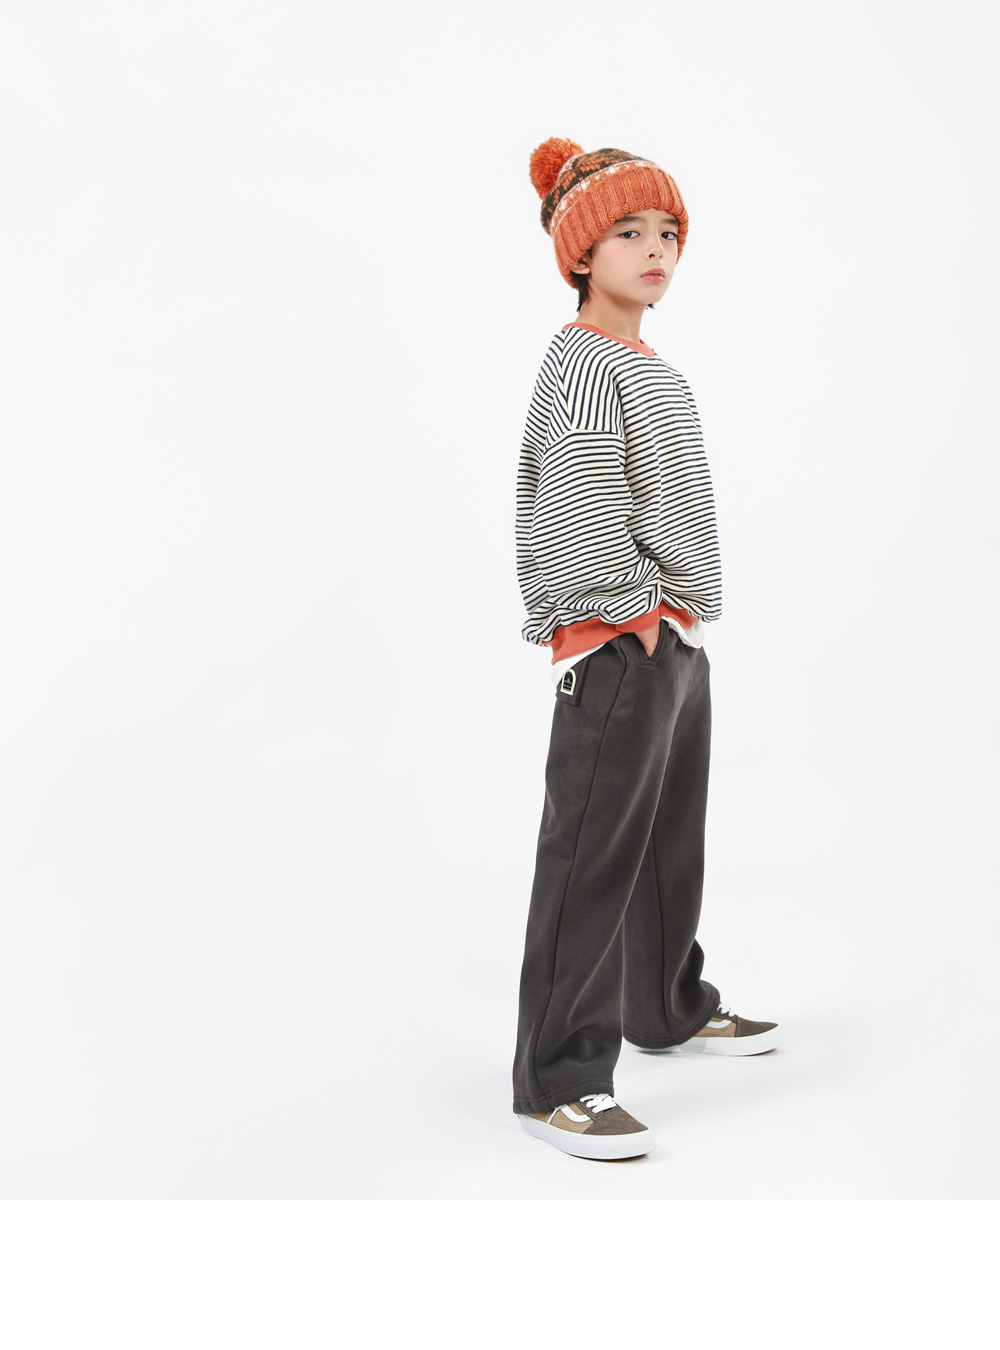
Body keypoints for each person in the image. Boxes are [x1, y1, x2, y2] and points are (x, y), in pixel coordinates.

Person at [511, 138, 779, 1162]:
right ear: (581, 253)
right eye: (629, 233)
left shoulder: (646, 364)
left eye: (668, 232)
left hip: (670, 631)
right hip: (616, 636)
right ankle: (556, 1080)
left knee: (666, 840)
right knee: (591, 855)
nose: (656, 249)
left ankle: (663, 1006)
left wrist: (678, 618)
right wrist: (630, 612)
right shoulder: (583, 363)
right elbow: (579, 498)